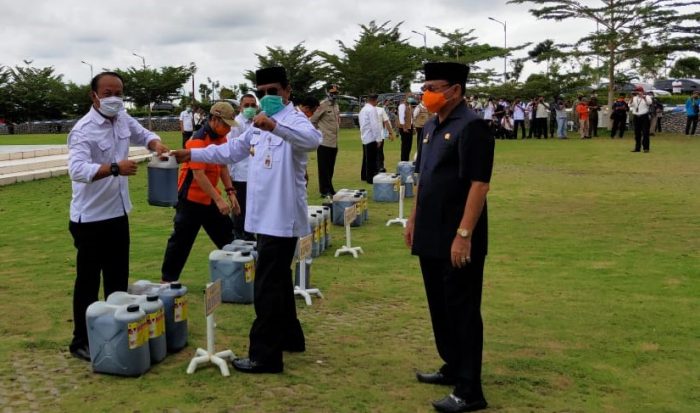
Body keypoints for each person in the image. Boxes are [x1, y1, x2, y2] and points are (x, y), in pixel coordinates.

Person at [172, 66, 321, 374]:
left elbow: (312, 141)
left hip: (282, 216)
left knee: (266, 286)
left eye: (273, 91)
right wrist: (193, 155)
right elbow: (230, 151)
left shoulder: (294, 120)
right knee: (278, 280)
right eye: (261, 92)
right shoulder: (256, 124)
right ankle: (291, 337)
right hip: (263, 217)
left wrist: (275, 127)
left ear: (287, 91)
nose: (267, 97)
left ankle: (265, 356)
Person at [406, 62, 494, 413]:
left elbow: (479, 184)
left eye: (433, 87)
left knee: (462, 309)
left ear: (455, 90)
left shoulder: (472, 127)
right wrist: (413, 219)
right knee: (440, 305)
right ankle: (453, 365)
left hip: (458, 235)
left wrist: (464, 234)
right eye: (424, 87)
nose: (426, 93)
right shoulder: (430, 126)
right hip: (430, 231)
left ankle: (470, 390)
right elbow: (423, 178)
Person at [67, 71, 169, 361]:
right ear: (94, 96)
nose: (114, 99)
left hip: (117, 214)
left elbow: (144, 134)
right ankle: (81, 340)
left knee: (117, 280)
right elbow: (76, 170)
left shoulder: (122, 118)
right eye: (108, 93)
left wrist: (156, 144)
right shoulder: (83, 130)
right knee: (88, 282)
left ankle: (115, 334)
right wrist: (114, 168)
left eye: (119, 93)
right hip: (90, 219)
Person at [160, 102, 240, 282]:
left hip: (210, 197)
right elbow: (198, 175)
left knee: (227, 236)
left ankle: (240, 278)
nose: (228, 129)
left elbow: (223, 166)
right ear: (214, 119)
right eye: (226, 124)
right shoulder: (198, 139)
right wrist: (219, 199)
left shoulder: (221, 138)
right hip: (190, 199)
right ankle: (167, 281)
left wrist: (230, 191)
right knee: (181, 241)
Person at [228, 94, 258, 241]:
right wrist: (229, 175)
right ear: (240, 107)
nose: (250, 108)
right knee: (241, 206)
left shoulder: (257, 122)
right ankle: (238, 234)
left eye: (253, 105)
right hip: (240, 173)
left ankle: (249, 232)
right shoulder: (236, 124)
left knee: (252, 205)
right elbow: (230, 149)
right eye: (246, 105)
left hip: (254, 172)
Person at [310, 85, 340, 198]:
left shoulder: (336, 105)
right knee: (324, 168)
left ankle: (330, 188)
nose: (334, 95)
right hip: (324, 141)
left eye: (336, 93)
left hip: (334, 141)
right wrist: (318, 133)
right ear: (327, 92)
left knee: (330, 167)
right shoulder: (322, 105)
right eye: (332, 93)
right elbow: (313, 120)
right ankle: (324, 190)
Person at [359, 94, 382, 184]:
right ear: (374, 100)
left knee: (366, 158)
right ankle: (370, 178)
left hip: (365, 135)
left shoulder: (363, 110)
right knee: (371, 159)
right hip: (371, 136)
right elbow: (375, 125)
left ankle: (364, 176)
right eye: (377, 101)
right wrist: (378, 138)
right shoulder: (372, 110)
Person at [630, 86, 653, 152]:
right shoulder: (634, 98)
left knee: (645, 132)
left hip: (644, 116)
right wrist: (632, 98)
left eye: (639, 91)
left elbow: (649, 103)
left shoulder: (647, 96)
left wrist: (643, 97)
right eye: (636, 91)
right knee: (637, 133)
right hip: (636, 116)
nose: (637, 92)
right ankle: (637, 148)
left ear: (642, 91)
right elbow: (629, 105)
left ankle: (646, 148)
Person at [377, 99, 397, 172]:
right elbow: (386, 121)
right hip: (379, 133)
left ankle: (379, 167)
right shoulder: (382, 109)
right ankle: (380, 167)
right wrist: (391, 133)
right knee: (379, 152)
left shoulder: (367, 110)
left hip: (375, 135)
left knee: (377, 152)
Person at [413, 97, 431, 164]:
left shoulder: (426, 108)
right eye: (424, 101)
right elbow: (414, 116)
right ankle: (418, 155)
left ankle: (422, 154)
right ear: (421, 101)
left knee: (425, 141)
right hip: (419, 127)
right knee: (419, 142)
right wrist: (415, 124)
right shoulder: (418, 108)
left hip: (425, 127)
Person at [397, 93, 414, 161]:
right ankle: (403, 160)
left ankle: (406, 160)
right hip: (404, 128)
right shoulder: (402, 106)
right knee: (405, 145)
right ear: (405, 97)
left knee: (409, 145)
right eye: (409, 97)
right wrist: (404, 127)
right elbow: (401, 117)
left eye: (412, 97)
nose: (411, 98)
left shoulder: (409, 105)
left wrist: (413, 127)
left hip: (409, 127)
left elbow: (410, 118)